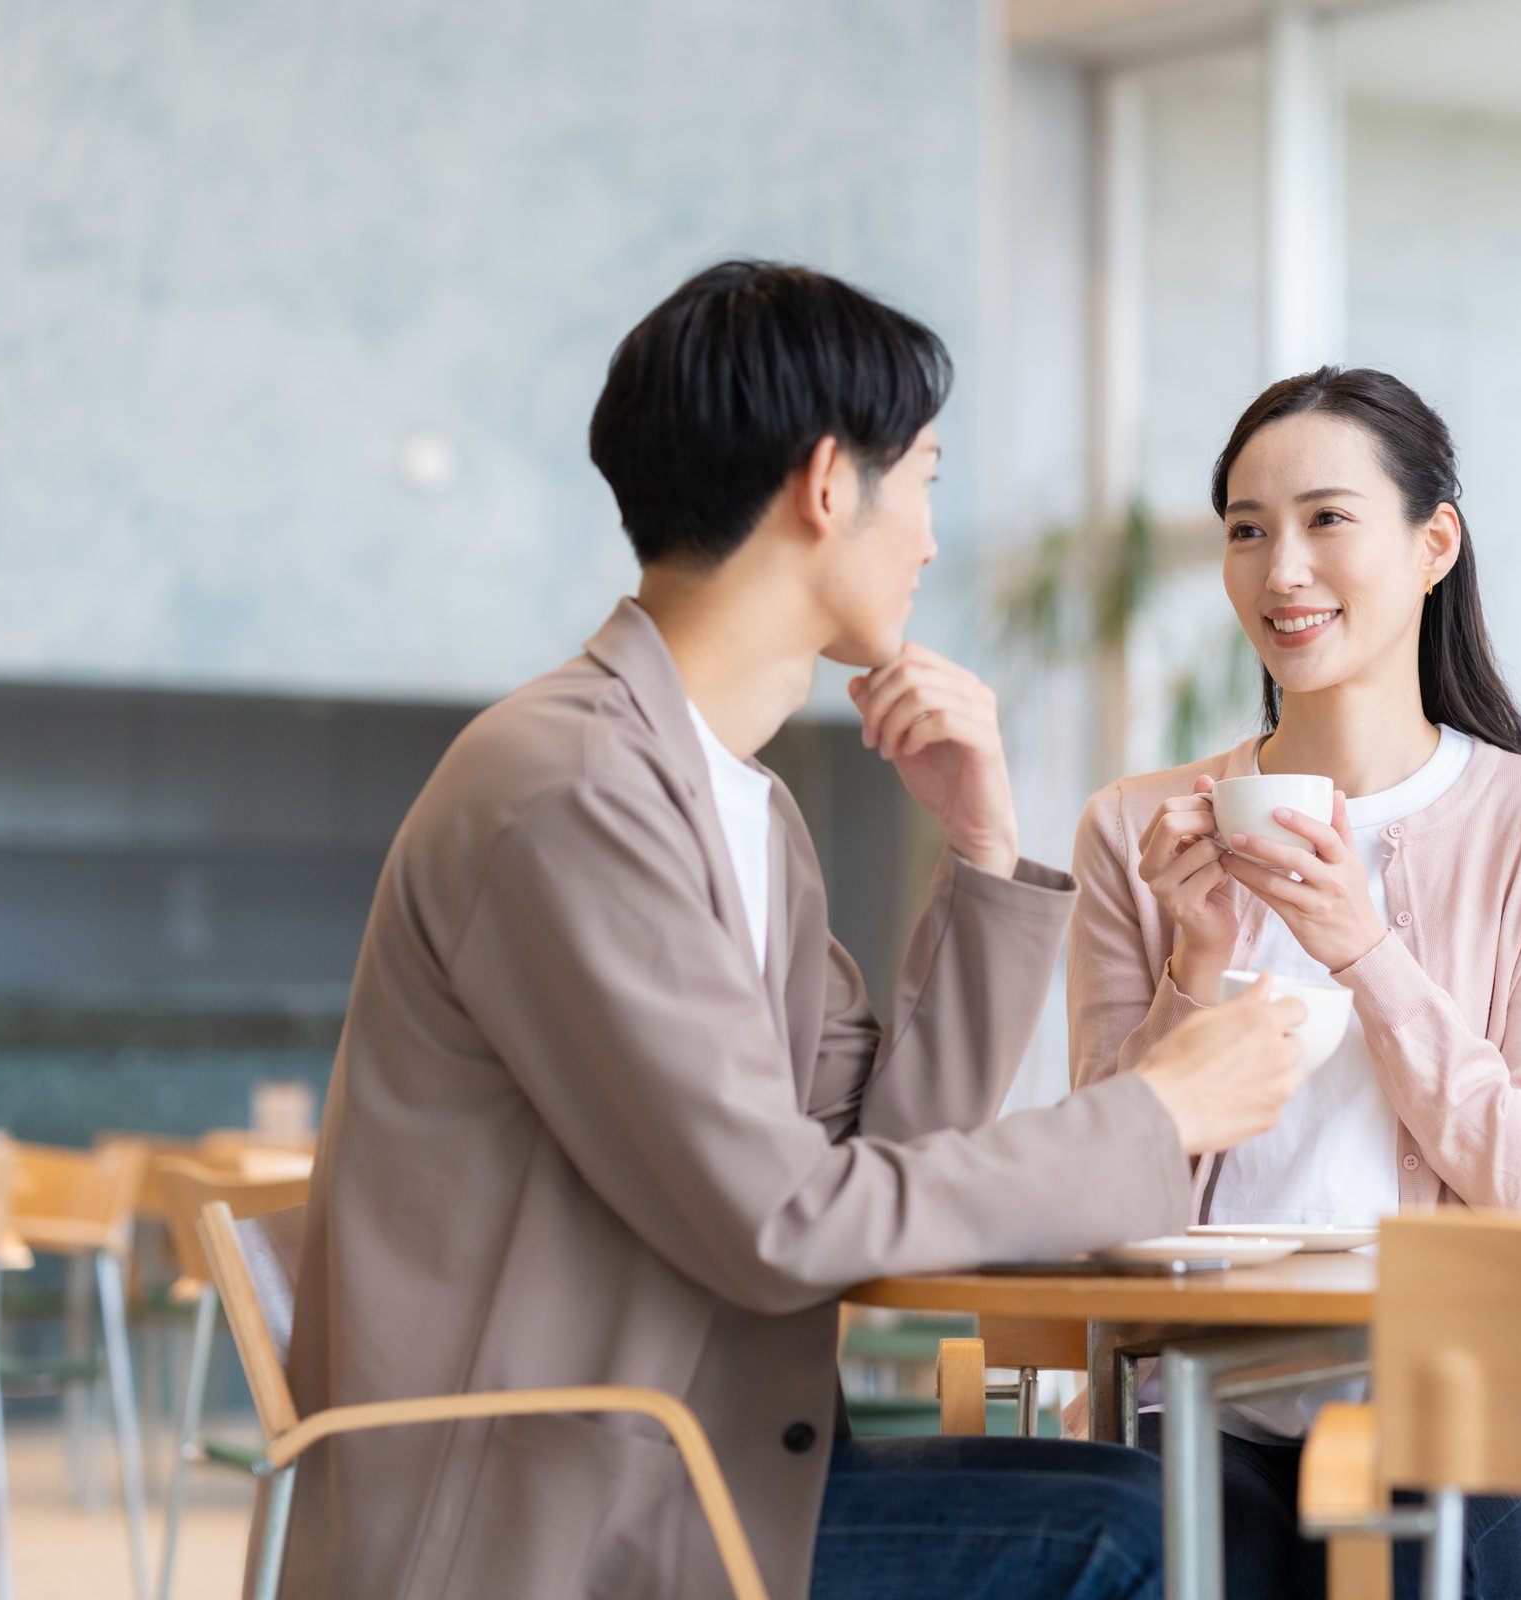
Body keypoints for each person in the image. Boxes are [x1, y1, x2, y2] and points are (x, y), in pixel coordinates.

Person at [282, 261, 1311, 1600]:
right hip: (552, 1526)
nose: (930, 539)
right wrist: (1158, 1115)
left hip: (687, 1472)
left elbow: (882, 1168)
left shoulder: (742, 808)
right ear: (829, 484)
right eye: (924, 478)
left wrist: (983, 854)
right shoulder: (571, 789)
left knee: (1155, 1510)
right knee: (1136, 1531)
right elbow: (784, 1223)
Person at [1067, 368, 1521, 1599]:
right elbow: (1099, 1210)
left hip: (1450, 1415)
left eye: (1327, 519)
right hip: (1190, 1408)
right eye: (1247, 530)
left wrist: (1366, 951)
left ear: (1435, 545)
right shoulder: (1134, 830)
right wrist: (1194, 964)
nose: (1282, 571)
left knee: (1424, 1548)